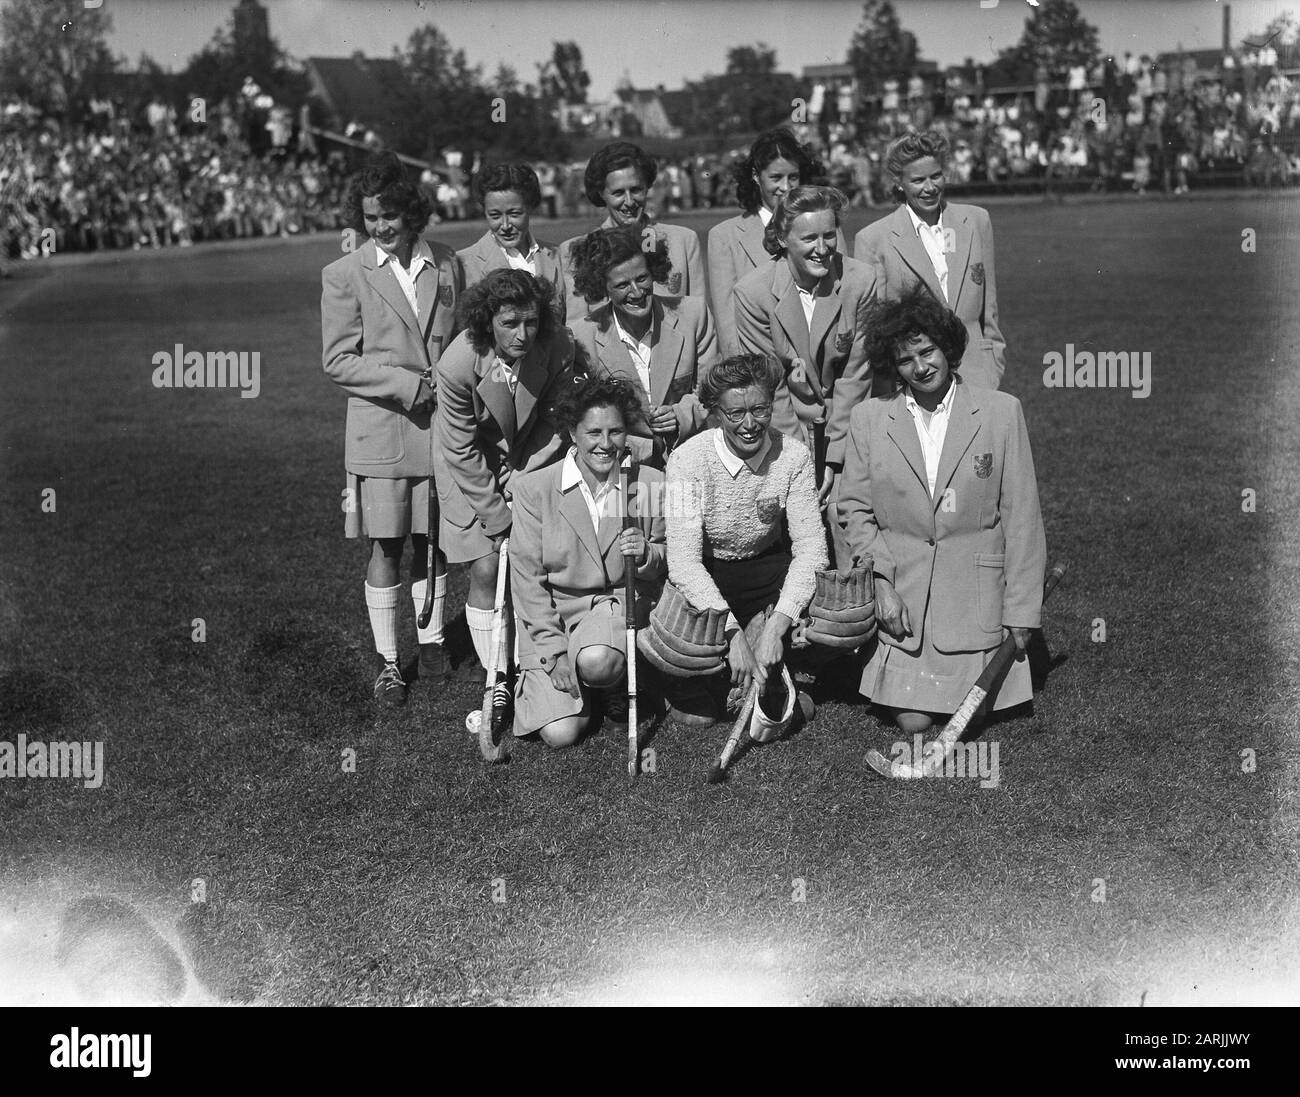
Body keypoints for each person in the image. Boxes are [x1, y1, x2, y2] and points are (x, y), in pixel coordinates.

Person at [836, 287, 1046, 735]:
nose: (921, 367)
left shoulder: (1002, 413)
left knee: (973, 717)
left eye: (928, 352)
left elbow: (1023, 518)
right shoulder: (869, 420)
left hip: (974, 602)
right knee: (913, 721)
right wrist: (880, 584)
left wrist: (1022, 614)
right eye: (906, 359)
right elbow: (854, 509)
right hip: (904, 604)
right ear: (893, 366)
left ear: (948, 348)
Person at [321, 150, 463, 707]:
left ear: (412, 213)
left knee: (434, 543)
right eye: (369, 218)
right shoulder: (343, 273)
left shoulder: (448, 262)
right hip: (381, 433)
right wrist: (408, 386)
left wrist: (448, 391)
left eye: (389, 217)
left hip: (441, 431)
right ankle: (388, 662)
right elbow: (338, 360)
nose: (379, 228)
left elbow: (459, 342)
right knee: (387, 546)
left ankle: (430, 644)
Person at [660, 354, 828, 727]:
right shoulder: (685, 460)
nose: (750, 424)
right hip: (710, 576)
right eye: (735, 413)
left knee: (822, 617)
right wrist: (732, 633)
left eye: (760, 409)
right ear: (716, 412)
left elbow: (813, 549)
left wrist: (776, 627)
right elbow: (684, 563)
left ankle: (769, 660)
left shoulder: (794, 456)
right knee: (702, 688)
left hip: (768, 571)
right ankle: (719, 673)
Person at [433, 269, 576, 700]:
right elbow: (459, 448)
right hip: (469, 469)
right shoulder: (457, 363)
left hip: (531, 457)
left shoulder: (559, 344)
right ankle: (498, 675)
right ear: (486, 321)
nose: (522, 334)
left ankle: (529, 665)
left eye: (531, 321)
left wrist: (525, 473)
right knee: (488, 564)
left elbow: (556, 416)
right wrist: (497, 514)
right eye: (510, 324)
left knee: (534, 562)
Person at [510, 376, 668, 747]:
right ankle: (590, 688)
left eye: (615, 431)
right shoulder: (533, 490)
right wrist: (553, 653)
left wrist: (647, 554)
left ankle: (609, 678)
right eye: (593, 432)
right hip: (556, 616)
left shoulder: (649, 483)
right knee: (559, 736)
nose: (605, 443)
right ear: (572, 432)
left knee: (597, 661)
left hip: (616, 606)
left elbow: (670, 559)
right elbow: (528, 582)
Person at [732, 185, 876, 566]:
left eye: (829, 235)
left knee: (845, 513)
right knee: (791, 517)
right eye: (809, 237)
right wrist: (802, 464)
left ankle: (856, 610)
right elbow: (769, 387)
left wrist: (834, 461)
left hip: (848, 428)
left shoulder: (862, 282)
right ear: (782, 239)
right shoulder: (753, 292)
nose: (822, 247)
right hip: (785, 430)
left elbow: (855, 378)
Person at [853, 131, 1008, 392]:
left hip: (977, 376)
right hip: (915, 380)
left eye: (936, 176)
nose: (930, 187)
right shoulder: (873, 239)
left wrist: (993, 363)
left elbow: (989, 310)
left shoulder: (976, 221)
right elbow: (875, 327)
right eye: (918, 180)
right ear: (898, 183)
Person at [567, 225, 718, 468]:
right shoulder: (582, 337)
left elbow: (711, 392)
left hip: (691, 457)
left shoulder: (694, 314)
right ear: (603, 288)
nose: (637, 292)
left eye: (642, 278)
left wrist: (680, 416)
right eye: (622, 285)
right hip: (622, 464)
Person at [706, 128, 842, 356]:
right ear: (756, 176)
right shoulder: (724, 236)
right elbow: (727, 320)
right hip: (759, 364)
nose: (786, 187)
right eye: (776, 178)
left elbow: (840, 292)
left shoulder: (828, 226)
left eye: (794, 177)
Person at [558, 141, 705, 322]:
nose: (629, 201)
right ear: (601, 194)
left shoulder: (683, 241)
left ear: (647, 187)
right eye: (618, 193)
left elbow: (699, 316)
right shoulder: (578, 250)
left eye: (636, 190)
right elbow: (578, 324)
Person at [457, 163, 566, 323]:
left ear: (530, 208)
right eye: (495, 216)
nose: (506, 225)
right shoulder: (462, 264)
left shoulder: (559, 256)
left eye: (514, 214)